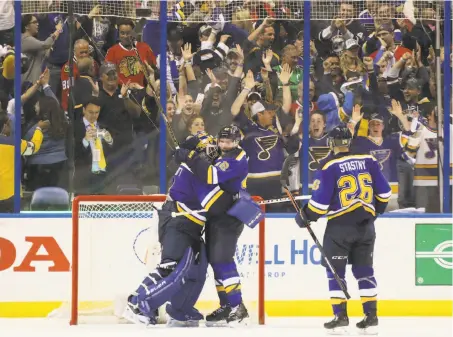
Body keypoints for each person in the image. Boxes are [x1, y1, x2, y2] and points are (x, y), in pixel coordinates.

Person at [123, 133, 235, 327]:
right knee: (171, 267)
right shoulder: (195, 171)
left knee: (198, 269)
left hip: (190, 225)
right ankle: (138, 303)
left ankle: (180, 310)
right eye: (210, 149)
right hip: (178, 222)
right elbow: (215, 204)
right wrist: (236, 199)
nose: (215, 153)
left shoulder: (198, 168)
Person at [295, 126, 391, 334]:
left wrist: (305, 217)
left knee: (335, 271)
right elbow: (385, 193)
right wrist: (375, 212)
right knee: (364, 270)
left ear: (332, 143)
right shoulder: (369, 160)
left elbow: (319, 205)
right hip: (366, 226)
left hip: (340, 227)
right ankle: (371, 315)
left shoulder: (329, 165)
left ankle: (340, 316)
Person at [175, 126, 256, 326]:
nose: (223, 145)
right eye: (222, 141)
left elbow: (210, 175)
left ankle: (238, 307)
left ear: (237, 142)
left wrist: (191, 157)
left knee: (222, 259)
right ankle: (227, 305)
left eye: (228, 142)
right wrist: (190, 147)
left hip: (230, 215)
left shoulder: (237, 159)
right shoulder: (222, 152)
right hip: (217, 214)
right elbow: (204, 143)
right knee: (215, 260)